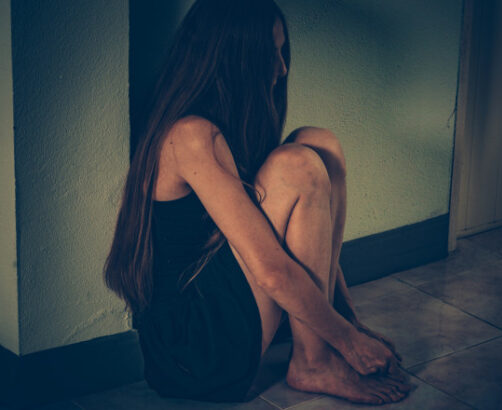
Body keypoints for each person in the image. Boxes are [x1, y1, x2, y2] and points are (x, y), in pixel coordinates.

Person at [104, 0, 411, 405]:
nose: (282, 69)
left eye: (283, 53)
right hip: (191, 350)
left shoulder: (228, 119)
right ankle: (312, 363)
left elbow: (306, 241)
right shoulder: (190, 134)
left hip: (223, 297)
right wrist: (348, 341)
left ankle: (319, 346)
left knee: (319, 144)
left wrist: (349, 321)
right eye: (270, 55)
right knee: (297, 165)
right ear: (232, 59)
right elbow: (270, 269)